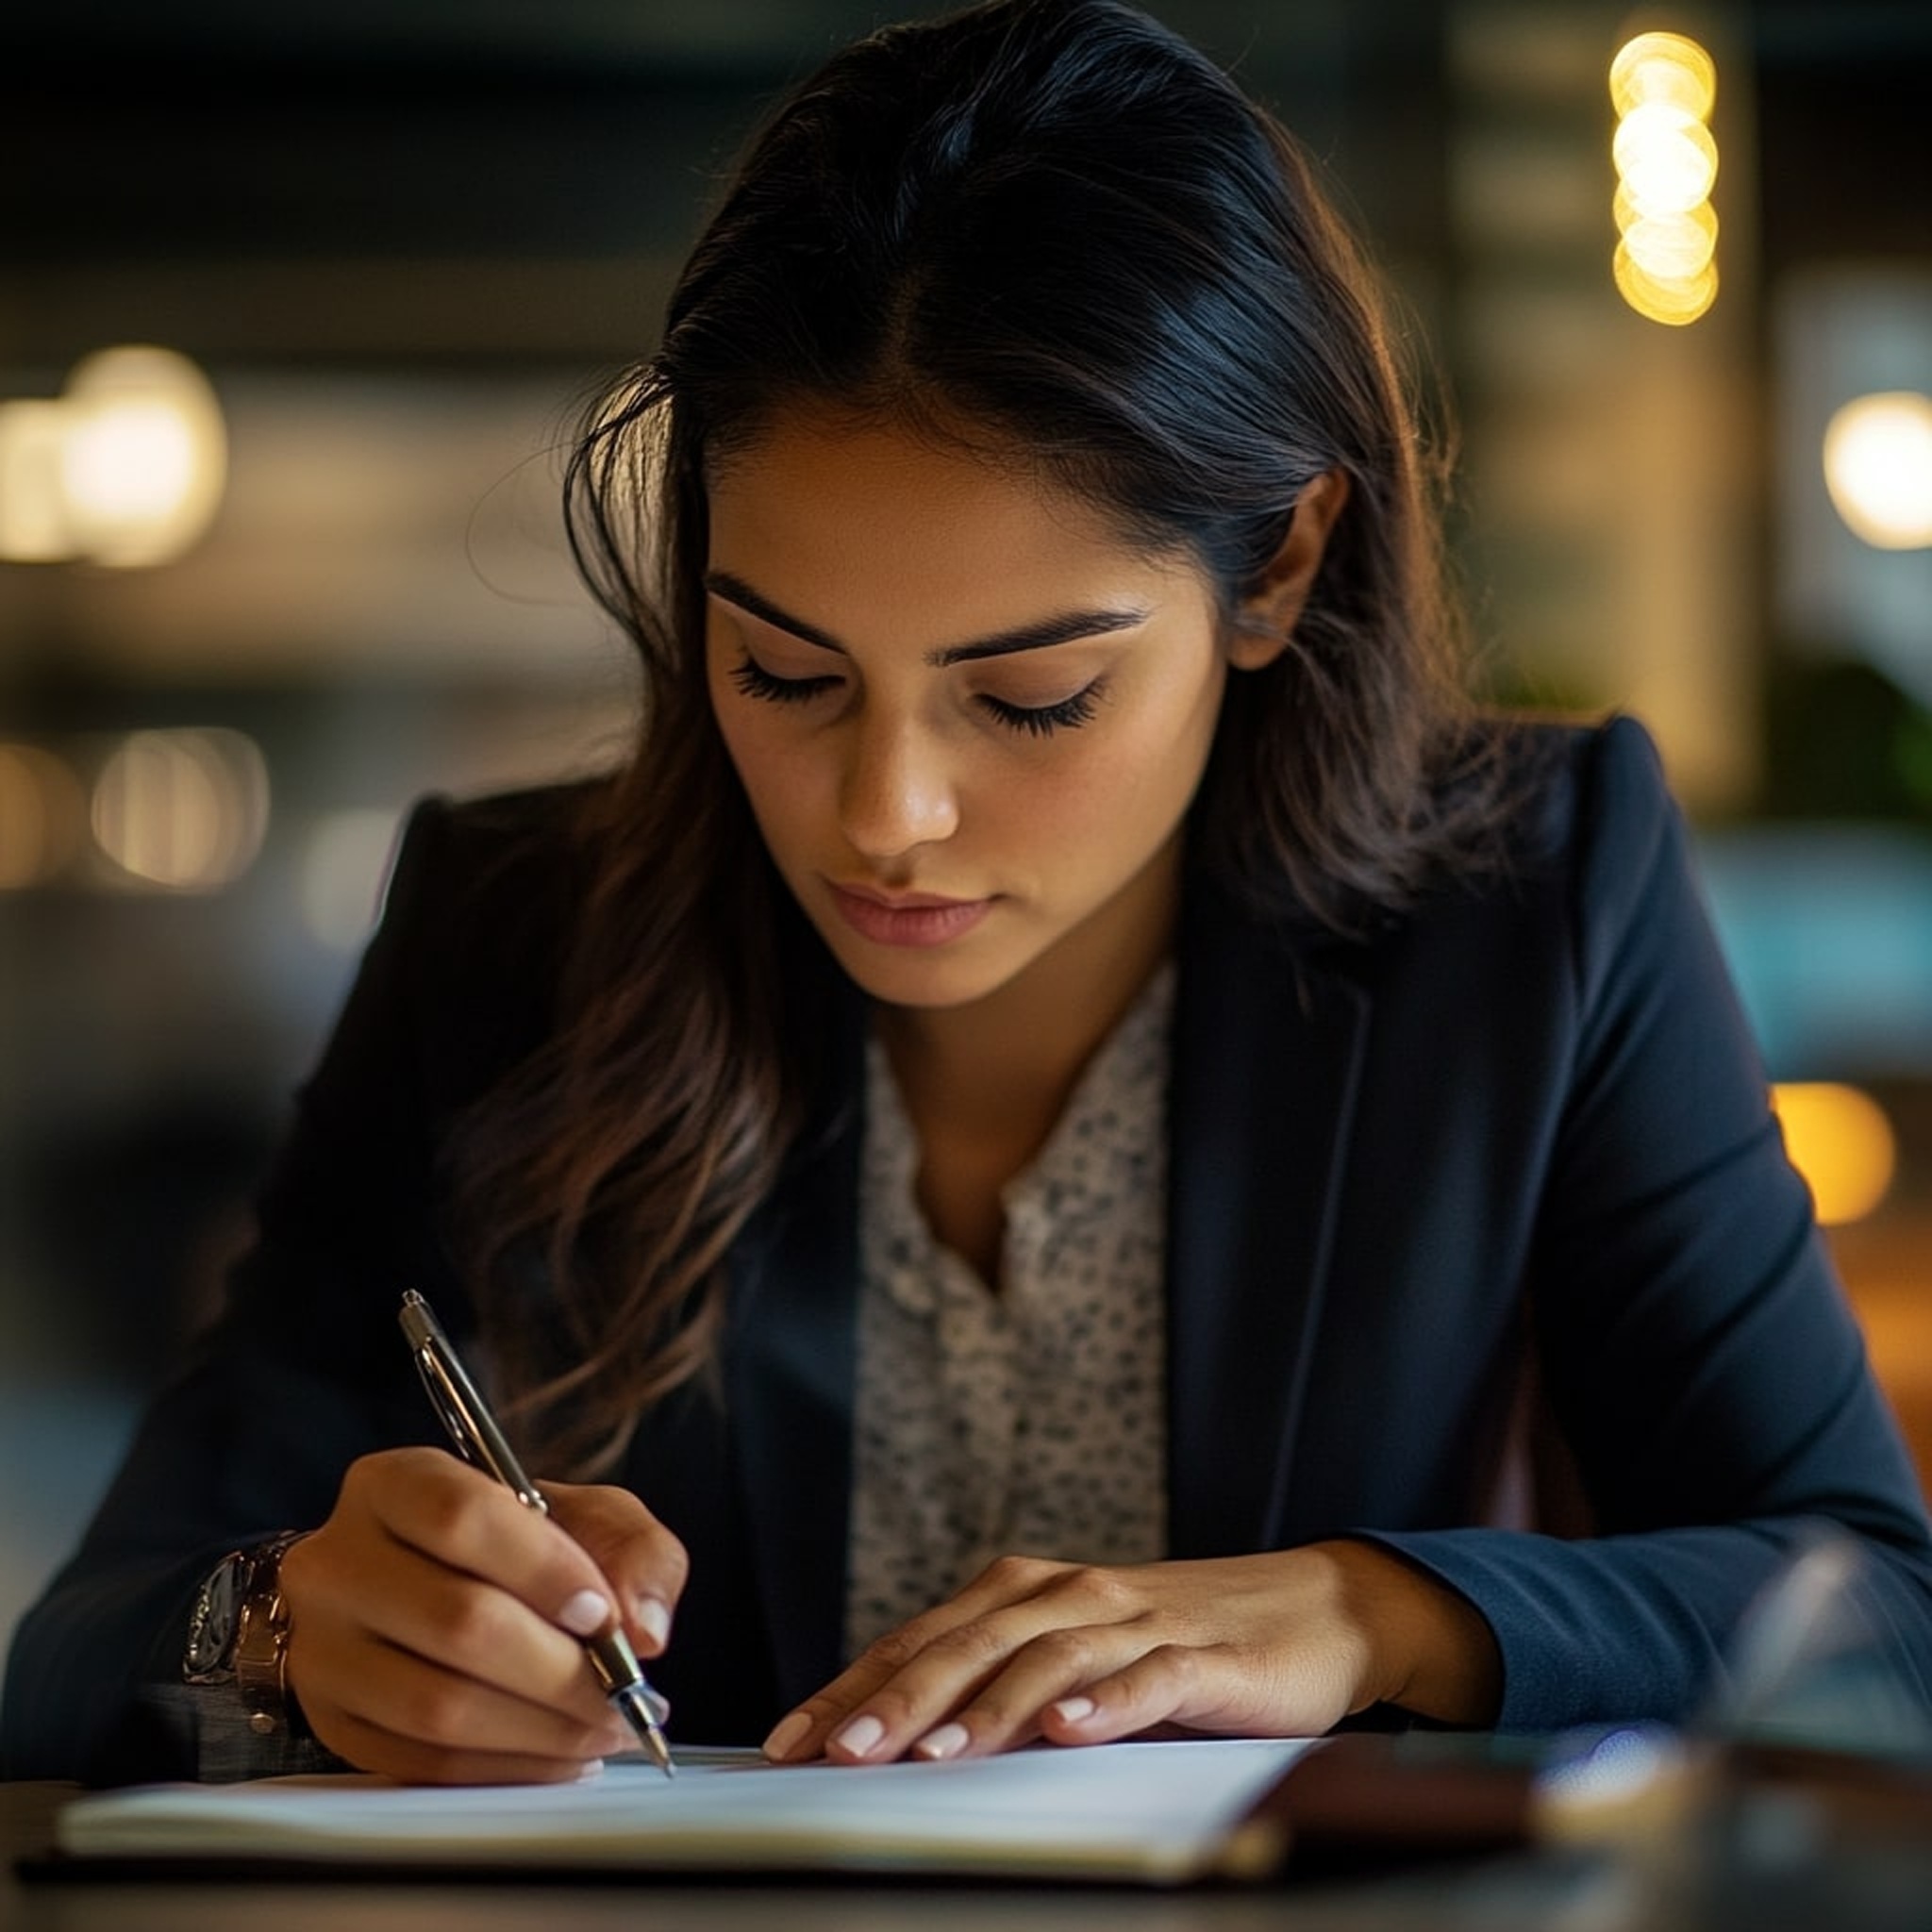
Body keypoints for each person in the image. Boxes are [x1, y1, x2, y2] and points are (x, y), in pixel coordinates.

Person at [6, 0, 1930, 1789]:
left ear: (1276, 570)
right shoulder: (513, 930)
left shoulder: (1532, 896)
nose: (887, 813)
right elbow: (78, 1645)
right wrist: (281, 1632)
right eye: (783, 672)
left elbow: (1878, 1615)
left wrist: (1362, 1610)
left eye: (1032, 695)